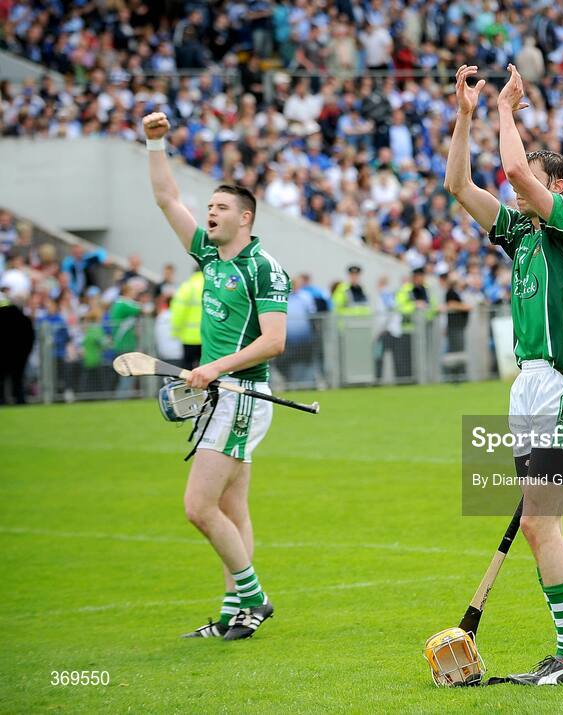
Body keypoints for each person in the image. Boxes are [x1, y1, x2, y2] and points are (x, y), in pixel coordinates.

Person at [444, 64, 563, 684]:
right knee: (539, 526)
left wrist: (506, 110)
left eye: (533, 183)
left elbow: (510, 171)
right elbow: (459, 184)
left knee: (540, 522)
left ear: (556, 185)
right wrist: (465, 116)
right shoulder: (521, 237)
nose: (516, 190)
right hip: (529, 387)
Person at [143, 110, 289, 640]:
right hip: (222, 395)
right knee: (231, 507)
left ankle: (254, 597)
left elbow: (274, 341)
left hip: (242, 395)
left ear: (244, 218)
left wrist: (213, 367)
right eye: (209, 206)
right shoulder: (209, 255)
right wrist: (154, 145)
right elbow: (166, 199)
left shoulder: (264, 267)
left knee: (198, 507)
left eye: (221, 207)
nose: (209, 213)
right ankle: (235, 613)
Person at [170, 271, 204, 369]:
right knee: (207, 369)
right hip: (208, 337)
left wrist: (176, 332)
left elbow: (178, 311)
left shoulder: (188, 286)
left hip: (189, 337)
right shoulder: (213, 285)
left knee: (187, 370)